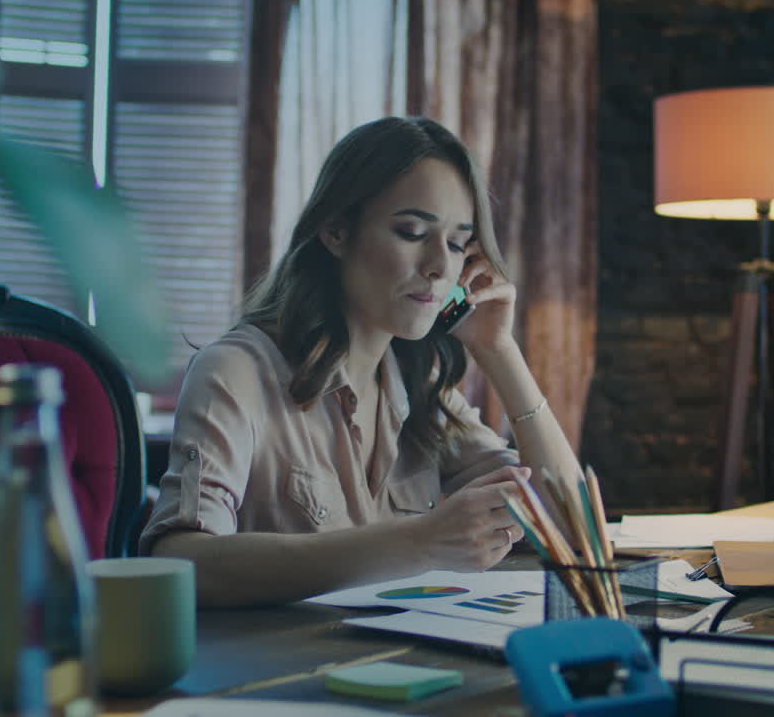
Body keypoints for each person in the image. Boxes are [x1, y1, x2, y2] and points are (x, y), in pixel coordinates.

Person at [140, 116, 582, 607]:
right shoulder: (236, 373)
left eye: (458, 243)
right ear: (336, 230)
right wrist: (419, 541)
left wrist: (500, 350)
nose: (440, 265)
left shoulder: (422, 385)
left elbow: (570, 526)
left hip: (402, 664)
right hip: (276, 672)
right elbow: (182, 564)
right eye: (413, 232)